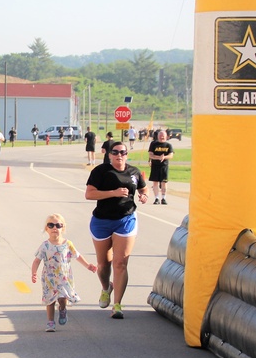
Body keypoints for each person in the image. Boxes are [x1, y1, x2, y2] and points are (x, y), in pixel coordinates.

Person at [85, 140, 149, 319]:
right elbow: (89, 194)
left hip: (126, 219)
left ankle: (118, 304)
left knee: (120, 263)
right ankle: (106, 288)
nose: (119, 155)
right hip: (102, 220)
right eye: (115, 152)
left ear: (127, 154)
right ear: (109, 155)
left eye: (122, 152)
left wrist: (144, 195)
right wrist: (113, 193)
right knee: (103, 264)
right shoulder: (101, 171)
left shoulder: (134, 172)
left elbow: (144, 189)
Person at [30, 213, 97, 332]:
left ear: (63, 228)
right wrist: (34, 273)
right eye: (51, 225)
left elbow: (77, 256)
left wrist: (88, 266)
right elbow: (36, 261)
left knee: (62, 298)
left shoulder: (68, 244)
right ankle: (50, 322)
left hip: (64, 278)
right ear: (47, 229)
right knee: (50, 300)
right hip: (49, 278)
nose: (54, 228)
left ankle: (62, 308)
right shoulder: (45, 245)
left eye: (58, 225)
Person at [147, 129, 174, 204]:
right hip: (155, 166)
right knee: (155, 182)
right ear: (158, 136)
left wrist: (164, 157)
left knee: (164, 182)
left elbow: (171, 155)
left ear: (166, 137)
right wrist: (158, 157)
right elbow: (150, 154)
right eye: (160, 136)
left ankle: (163, 198)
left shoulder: (168, 145)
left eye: (163, 136)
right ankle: (156, 198)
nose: (161, 137)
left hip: (164, 166)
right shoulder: (153, 144)